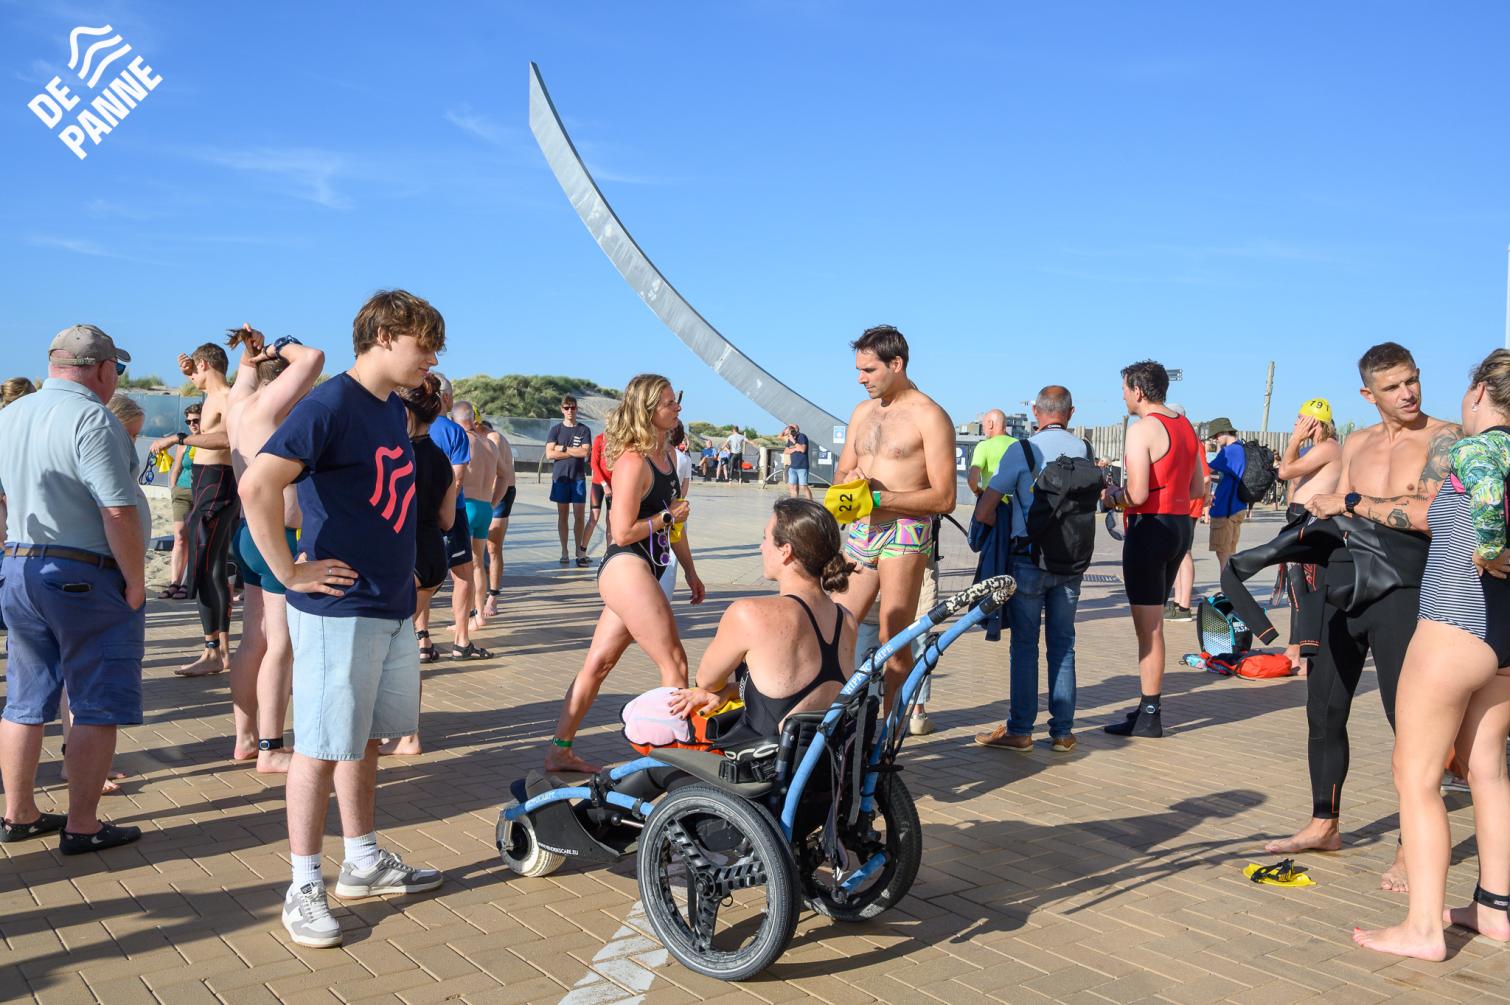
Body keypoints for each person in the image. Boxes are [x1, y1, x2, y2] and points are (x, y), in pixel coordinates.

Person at [240, 289, 446, 949]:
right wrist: (287, 572)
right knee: (320, 747)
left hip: (387, 604)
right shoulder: (329, 403)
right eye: (424, 345)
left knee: (365, 740)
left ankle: (362, 859)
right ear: (384, 336)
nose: (432, 359)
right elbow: (257, 485)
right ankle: (303, 884)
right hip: (340, 608)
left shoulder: (388, 409)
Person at [1266, 342, 1460, 894]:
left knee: (1411, 725)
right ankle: (1324, 823)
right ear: (1368, 394)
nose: (1408, 393)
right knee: (1324, 708)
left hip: (1406, 589)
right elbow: (1326, 506)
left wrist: (1351, 501)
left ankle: (1410, 845)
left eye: (1412, 380)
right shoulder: (1356, 441)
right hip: (1344, 582)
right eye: (1393, 386)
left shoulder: (1445, 438)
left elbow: (1429, 516)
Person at [1353, 349, 1510, 959]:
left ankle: (1422, 928)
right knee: (1488, 770)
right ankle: (1493, 908)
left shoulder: (1478, 450)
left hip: (1454, 624)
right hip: (1504, 633)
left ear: (1479, 393)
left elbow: (1486, 514)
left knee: (1414, 776)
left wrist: (1491, 548)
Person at [0, 324, 146, 854]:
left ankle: (18, 813)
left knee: (24, 700)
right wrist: (136, 582)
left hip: (20, 565)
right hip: (83, 573)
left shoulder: (12, 414)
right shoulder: (92, 418)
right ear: (103, 368)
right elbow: (117, 510)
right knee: (95, 702)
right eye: (117, 369)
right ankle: (82, 825)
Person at [545, 375, 705, 774]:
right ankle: (676, 764)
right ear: (648, 411)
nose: (678, 407)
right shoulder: (634, 461)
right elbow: (621, 531)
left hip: (646, 566)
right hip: (625, 566)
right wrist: (667, 516)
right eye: (669, 402)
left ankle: (560, 750)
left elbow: (675, 526)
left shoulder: (668, 457)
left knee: (598, 664)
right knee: (674, 663)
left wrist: (691, 571)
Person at [831, 325, 957, 711]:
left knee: (893, 640)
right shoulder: (862, 412)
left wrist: (878, 497)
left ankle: (886, 731)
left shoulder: (930, 415)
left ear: (896, 364)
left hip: (905, 531)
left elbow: (945, 498)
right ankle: (839, 723)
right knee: (837, 628)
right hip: (861, 530)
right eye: (859, 369)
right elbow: (841, 474)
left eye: (869, 370)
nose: (860, 378)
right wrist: (848, 483)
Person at [667, 498, 857, 743]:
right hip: (824, 759)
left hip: (764, 758)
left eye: (765, 538)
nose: (761, 547)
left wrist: (720, 690)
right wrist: (733, 691)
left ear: (785, 551)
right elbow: (801, 690)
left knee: (648, 724)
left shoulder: (750, 613)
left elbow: (706, 682)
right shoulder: (846, 620)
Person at [223, 326, 325, 773]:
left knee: (253, 641)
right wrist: (280, 345)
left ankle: (245, 738)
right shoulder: (268, 406)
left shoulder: (238, 404)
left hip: (248, 534)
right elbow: (313, 358)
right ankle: (270, 748)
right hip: (276, 537)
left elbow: (247, 371)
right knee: (281, 645)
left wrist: (252, 351)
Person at [973, 385, 1093, 753]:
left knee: (1025, 646)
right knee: (1063, 646)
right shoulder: (1084, 450)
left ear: (1036, 413)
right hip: (1071, 561)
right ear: (1070, 413)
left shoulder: (1022, 451)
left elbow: (985, 510)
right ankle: (1063, 733)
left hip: (1027, 560)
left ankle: (1021, 730)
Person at [1103, 360, 1206, 739]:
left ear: (1138, 391)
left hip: (1150, 528)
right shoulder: (1185, 426)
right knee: (1154, 624)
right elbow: (1198, 488)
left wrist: (1111, 496)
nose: (1123, 397)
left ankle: (1150, 714)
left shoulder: (1143, 429)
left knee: (1149, 630)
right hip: (1179, 527)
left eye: (1125, 390)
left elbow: (1137, 493)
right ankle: (1146, 707)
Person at [148, 343, 236, 677]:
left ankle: (212, 651)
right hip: (207, 482)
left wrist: (179, 438)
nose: (189, 377)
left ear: (204, 364)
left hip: (217, 483)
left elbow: (226, 439)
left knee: (200, 571)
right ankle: (221, 651)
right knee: (214, 571)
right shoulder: (212, 395)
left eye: (194, 370)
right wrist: (190, 374)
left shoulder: (227, 397)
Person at [383, 375, 458, 755]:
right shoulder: (443, 460)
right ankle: (405, 733)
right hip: (432, 557)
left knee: (392, 651)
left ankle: (404, 734)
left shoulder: (396, 454)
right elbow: (447, 520)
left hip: (404, 556)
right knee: (404, 644)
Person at [1276, 399, 1343, 674]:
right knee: (1296, 589)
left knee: (1309, 590)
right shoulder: (1315, 449)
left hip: (1312, 523)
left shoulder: (1328, 447)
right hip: (1299, 519)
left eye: (1300, 419)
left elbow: (1284, 471)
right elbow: (1292, 477)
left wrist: (1294, 439)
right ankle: (1295, 648)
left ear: (1314, 422)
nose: (1296, 424)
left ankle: (1307, 653)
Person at [424, 374, 483, 659]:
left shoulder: (408, 426)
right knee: (463, 574)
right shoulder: (453, 432)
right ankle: (461, 640)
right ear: (446, 398)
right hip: (451, 512)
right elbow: (457, 479)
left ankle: (422, 641)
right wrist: (444, 514)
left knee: (422, 574)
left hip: (418, 514)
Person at [452, 401, 503, 632]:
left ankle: (462, 620)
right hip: (484, 507)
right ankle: (479, 615)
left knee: (460, 569)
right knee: (478, 564)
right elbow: (505, 477)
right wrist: (493, 503)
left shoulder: (462, 439)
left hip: (467, 505)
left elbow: (456, 475)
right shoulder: (489, 443)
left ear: (455, 420)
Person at [1165, 403, 1206, 622]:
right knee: (1179, 555)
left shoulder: (1192, 441)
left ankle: (1184, 605)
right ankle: (1178, 602)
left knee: (1185, 554)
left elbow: (1204, 478)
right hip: (1181, 505)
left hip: (1187, 506)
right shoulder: (1183, 438)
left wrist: (1182, 497)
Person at [547, 394, 593, 566]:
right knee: (563, 515)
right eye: (566, 408)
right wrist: (574, 451)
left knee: (579, 517)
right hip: (561, 478)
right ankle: (564, 551)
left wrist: (563, 448)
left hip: (578, 478)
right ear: (562, 409)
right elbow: (549, 454)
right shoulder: (555, 430)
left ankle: (579, 552)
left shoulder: (583, 430)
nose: (570, 411)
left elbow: (585, 452)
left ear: (576, 409)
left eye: (572, 407)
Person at [163, 402, 201, 598]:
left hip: (201, 493)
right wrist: (173, 488)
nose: (192, 424)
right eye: (189, 421)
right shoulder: (184, 443)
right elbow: (176, 468)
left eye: (196, 420)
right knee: (179, 536)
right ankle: (174, 582)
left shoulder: (210, 441)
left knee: (195, 538)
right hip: (182, 492)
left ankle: (188, 581)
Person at [1204, 417, 1249, 571]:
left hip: (1225, 508)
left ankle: (1227, 585)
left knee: (1222, 552)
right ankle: (1230, 584)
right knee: (1230, 550)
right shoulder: (1242, 448)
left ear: (1224, 432)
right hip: (1238, 506)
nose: (1215, 440)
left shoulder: (1229, 451)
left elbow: (1206, 470)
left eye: (1216, 436)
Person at [658, 422, 695, 600]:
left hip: (659, 512)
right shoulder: (685, 459)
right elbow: (683, 489)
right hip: (677, 511)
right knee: (671, 560)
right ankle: (666, 597)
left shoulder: (658, 456)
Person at [482, 420, 515, 618]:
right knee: (478, 547)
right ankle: (477, 595)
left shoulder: (493, 438)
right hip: (483, 493)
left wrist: (491, 501)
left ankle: (493, 596)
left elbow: (500, 475)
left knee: (493, 547)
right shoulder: (477, 438)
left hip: (500, 492)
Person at [968, 409, 1015, 497]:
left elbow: (971, 480)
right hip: (1015, 502)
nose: (983, 429)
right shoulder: (1019, 444)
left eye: (983, 425)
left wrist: (977, 492)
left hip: (990, 501)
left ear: (991, 424)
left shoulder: (983, 446)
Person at [586, 429, 610, 552]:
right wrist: (604, 484)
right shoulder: (599, 439)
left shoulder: (620, 440)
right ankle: (582, 551)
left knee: (610, 520)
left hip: (613, 485)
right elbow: (594, 464)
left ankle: (609, 553)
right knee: (594, 517)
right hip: (598, 484)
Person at [782, 423, 813, 499]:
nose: (788, 434)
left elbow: (802, 450)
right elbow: (786, 451)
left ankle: (810, 502)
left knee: (803, 487)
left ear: (794, 429)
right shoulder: (790, 439)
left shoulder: (802, 436)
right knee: (792, 486)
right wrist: (795, 449)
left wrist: (794, 442)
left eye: (790, 428)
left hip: (802, 467)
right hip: (793, 467)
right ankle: (794, 502)